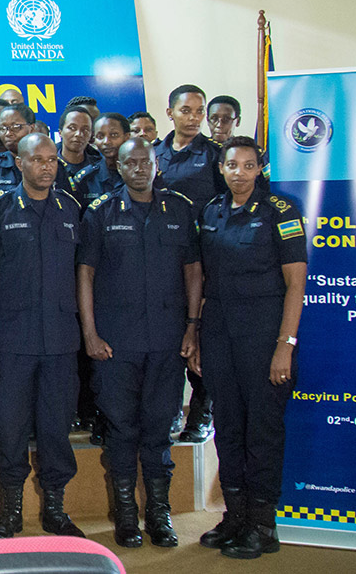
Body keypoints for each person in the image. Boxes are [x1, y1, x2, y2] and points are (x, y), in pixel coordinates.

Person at [76, 139, 202, 549]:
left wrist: (192, 327)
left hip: (167, 341)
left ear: (156, 164)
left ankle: (159, 513)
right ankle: (127, 514)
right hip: (116, 344)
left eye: (145, 161)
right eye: (130, 162)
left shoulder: (180, 210)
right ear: (119, 166)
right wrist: (90, 334)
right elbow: (85, 275)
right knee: (122, 429)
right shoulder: (101, 212)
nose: (139, 168)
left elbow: (193, 272)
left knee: (159, 429)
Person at [192, 136, 306, 560]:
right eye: (231, 165)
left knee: (262, 430)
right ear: (221, 168)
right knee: (228, 427)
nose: (239, 172)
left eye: (247, 165)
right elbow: (204, 280)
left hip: (263, 336)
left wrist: (285, 346)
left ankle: (262, 524)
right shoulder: (211, 211)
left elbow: (296, 283)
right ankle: (235, 516)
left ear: (259, 169)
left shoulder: (280, 211)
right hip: (220, 335)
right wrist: (197, 335)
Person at [0, 133, 84, 540]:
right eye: (37, 159)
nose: (46, 166)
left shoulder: (71, 209)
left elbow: (82, 271)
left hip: (60, 341)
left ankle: (55, 509)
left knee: (56, 429)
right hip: (11, 339)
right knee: (11, 429)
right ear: (19, 163)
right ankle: (10, 512)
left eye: (52, 159)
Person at [153, 85, 224, 445]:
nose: (194, 118)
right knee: (169, 341)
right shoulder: (153, 153)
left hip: (204, 258)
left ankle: (201, 413)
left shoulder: (215, 155)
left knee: (202, 340)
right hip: (164, 259)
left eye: (199, 111)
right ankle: (169, 411)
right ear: (170, 113)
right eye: (186, 110)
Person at [71, 113, 130, 205]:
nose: (106, 142)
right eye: (100, 136)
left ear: (127, 137)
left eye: (114, 135)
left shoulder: (140, 173)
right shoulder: (85, 179)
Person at [57, 105, 96, 180]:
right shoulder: (50, 165)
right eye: (72, 128)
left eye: (85, 129)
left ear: (91, 134)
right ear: (60, 132)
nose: (78, 134)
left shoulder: (98, 168)